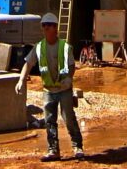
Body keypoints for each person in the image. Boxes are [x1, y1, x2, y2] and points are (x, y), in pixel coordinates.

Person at [15, 12, 84, 161]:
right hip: (48, 90)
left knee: (69, 118)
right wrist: (21, 79)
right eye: (44, 25)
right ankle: (53, 150)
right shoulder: (39, 47)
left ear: (55, 28)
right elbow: (28, 64)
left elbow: (71, 66)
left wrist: (68, 79)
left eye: (49, 25)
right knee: (49, 121)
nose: (46, 28)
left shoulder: (64, 47)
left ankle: (77, 146)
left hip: (64, 89)